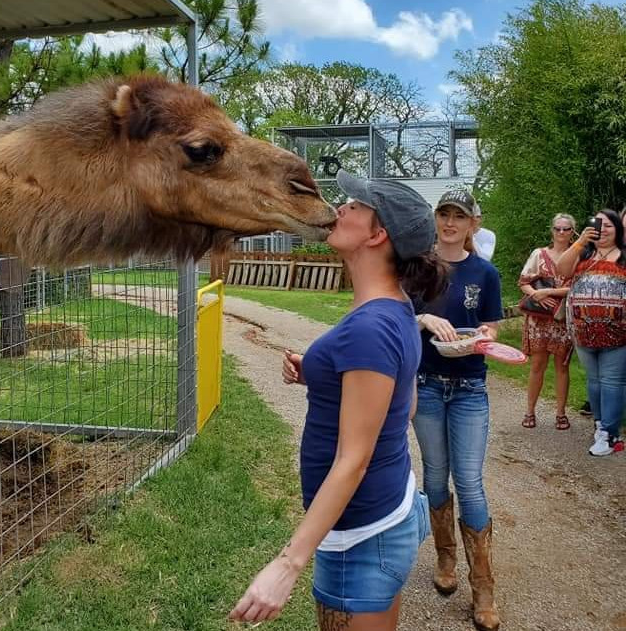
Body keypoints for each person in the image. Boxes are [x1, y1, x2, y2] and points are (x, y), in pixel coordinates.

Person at [230, 170, 448, 630]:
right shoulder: (395, 308)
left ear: (378, 234)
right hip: (390, 511)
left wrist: (287, 565)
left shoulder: (371, 326)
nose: (340, 207)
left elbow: (355, 459)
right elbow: (402, 407)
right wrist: (324, 373)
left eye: (356, 205)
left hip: (360, 539)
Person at [411, 188, 503, 631]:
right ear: (436, 219)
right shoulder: (419, 268)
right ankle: (445, 559)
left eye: (459, 216)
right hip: (426, 385)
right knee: (433, 476)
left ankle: (483, 587)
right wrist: (424, 319)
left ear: (472, 225)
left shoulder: (485, 273)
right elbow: (399, 315)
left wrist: (481, 334)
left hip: (469, 388)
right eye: (444, 214)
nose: (450, 222)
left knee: (469, 481)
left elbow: (491, 329)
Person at [556, 209, 626, 456]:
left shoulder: (623, 256)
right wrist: (579, 242)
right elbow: (562, 270)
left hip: (617, 335)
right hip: (583, 333)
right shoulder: (584, 253)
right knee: (594, 382)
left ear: (618, 228)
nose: (603, 229)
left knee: (612, 382)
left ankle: (610, 434)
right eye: (598, 224)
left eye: (608, 225)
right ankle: (600, 425)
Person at [518, 214, 575, 430]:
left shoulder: (579, 256)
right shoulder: (539, 254)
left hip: (562, 318)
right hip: (539, 318)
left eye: (566, 229)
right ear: (551, 230)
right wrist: (535, 294)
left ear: (573, 232)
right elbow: (523, 281)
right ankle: (530, 411)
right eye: (557, 228)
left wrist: (550, 291)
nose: (561, 233)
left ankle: (561, 413)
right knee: (537, 365)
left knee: (562, 366)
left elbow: (578, 287)